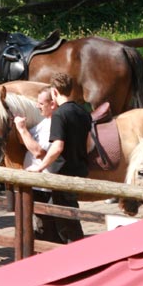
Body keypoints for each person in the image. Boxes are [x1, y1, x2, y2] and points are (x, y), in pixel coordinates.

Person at [25, 73, 91, 244]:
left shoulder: (60, 115)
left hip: (62, 175)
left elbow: (57, 146)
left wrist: (39, 167)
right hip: (79, 171)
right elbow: (89, 144)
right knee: (68, 220)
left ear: (54, 92)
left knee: (67, 226)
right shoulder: (83, 112)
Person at [14, 87, 56, 231]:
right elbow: (25, 140)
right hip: (37, 184)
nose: (37, 106)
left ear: (52, 104)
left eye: (41, 103)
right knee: (40, 227)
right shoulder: (43, 123)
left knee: (47, 229)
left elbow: (38, 151)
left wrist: (22, 129)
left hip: (45, 186)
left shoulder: (53, 125)